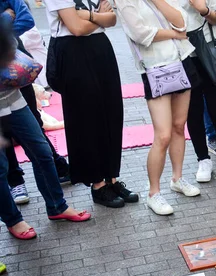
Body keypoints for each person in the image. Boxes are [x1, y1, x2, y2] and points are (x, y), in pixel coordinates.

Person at [0, 21, 91, 240]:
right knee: (1, 168)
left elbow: (18, 28)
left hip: (14, 99)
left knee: (42, 152)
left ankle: (57, 206)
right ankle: (13, 220)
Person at [44, 0, 139, 208]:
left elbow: (112, 18)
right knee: (85, 119)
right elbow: (76, 29)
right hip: (72, 53)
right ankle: (97, 184)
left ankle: (112, 178)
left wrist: (88, 16)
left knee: (112, 113)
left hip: (101, 50)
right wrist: (99, 18)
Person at [116, 0, 202, 215]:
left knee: (179, 126)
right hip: (155, 67)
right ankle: (153, 193)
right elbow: (140, 34)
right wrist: (173, 34)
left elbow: (182, 22)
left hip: (181, 60)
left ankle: (178, 178)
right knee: (162, 135)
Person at [1, 0, 70, 204]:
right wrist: (6, 17)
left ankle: (57, 170)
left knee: (34, 123)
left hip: (16, 68)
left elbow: (26, 20)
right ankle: (15, 182)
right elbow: (15, 21)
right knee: (4, 136)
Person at [179, 0, 216, 186]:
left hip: (211, 52)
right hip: (183, 55)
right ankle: (203, 160)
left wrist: (202, 9)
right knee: (193, 111)